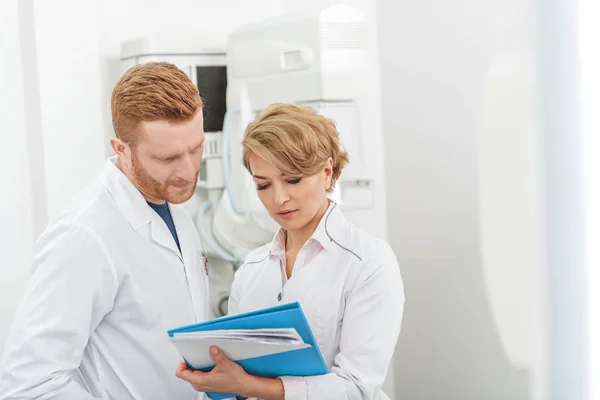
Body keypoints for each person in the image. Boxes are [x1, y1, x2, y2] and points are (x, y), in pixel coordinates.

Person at [0, 62, 209, 399]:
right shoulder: (83, 234)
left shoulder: (176, 211)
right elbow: (28, 385)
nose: (187, 170)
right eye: (168, 158)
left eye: (195, 148)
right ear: (121, 149)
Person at [175, 103, 405, 399]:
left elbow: (356, 388)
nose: (279, 199)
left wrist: (249, 386)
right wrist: (217, 381)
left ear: (326, 172)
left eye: (292, 180)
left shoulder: (368, 262)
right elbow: (234, 376)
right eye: (263, 185)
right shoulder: (252, 268)